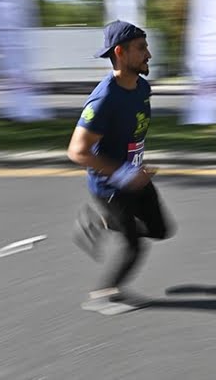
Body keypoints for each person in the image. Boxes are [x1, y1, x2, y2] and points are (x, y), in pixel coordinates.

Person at [67, 20, 174, 315]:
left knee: (161, 229)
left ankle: (100, 222)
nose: (149, 55)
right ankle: (103, 295)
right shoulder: (104, 100)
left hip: (135, 176)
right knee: (133, 247)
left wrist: (136, 166)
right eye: (142, 49)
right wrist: (124, 173)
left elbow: (129, 134)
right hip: (111, 186)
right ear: (121, 52)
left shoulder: (142, 88)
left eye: (147, 47)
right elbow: (77, 151)